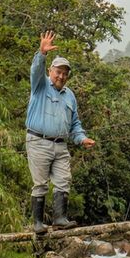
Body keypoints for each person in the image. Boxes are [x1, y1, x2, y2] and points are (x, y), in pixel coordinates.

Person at [25, 31, 95, 234]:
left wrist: (82, 139)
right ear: (50, 71)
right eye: (58, 72)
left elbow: (75, 125)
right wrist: (42, 52)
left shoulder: (70, 96)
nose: (61, 76)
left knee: (64, 180)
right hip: (38, 141)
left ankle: (60, 219)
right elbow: (35, 70)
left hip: (61, 144)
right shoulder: (39, 85)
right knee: (40, 184)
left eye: (65, 73)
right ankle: (38, 223)